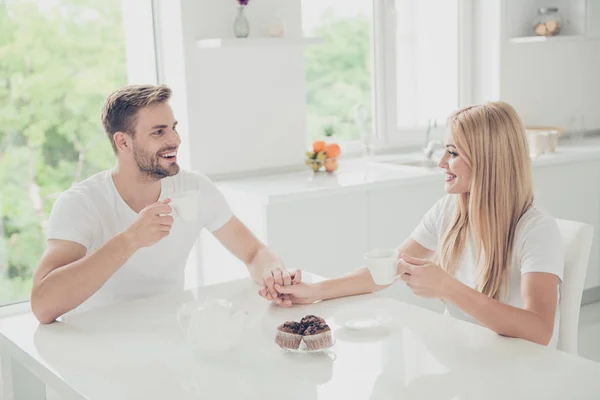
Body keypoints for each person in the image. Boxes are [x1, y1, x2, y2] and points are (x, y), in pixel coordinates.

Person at [272, 101, 564, 347]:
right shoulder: (450, 211)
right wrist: (315, 291)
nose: (440, 162)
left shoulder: (537, 230)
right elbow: (386, 271)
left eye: (452, 153)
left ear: (488, 161)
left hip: (515, 369)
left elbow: (539, 330)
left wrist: (448, 288)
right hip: (466, 353)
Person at [31, 84, 298, 324]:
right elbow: (43, 306)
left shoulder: (194, 187)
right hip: (97, 344)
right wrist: (130, 240)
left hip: (170, 334)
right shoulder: (80, 203)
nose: (175, 140)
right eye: (159, 132)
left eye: (174, 128)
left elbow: (253, 253)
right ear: (123, 142)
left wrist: (274, 273)